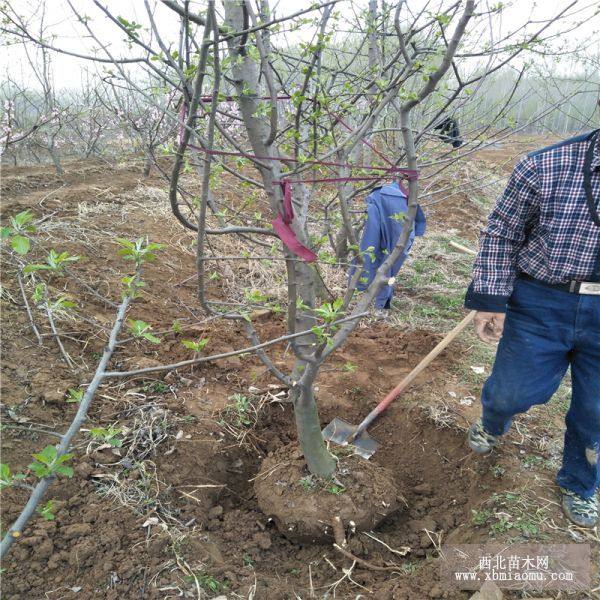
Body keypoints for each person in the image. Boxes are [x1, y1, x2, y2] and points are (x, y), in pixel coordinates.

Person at [464, 129, 600, 528]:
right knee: (513, 392)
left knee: (596, 412)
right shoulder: (544, 165)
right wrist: (490, 299)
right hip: (542, 298)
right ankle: (493, 422)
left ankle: (579, 483)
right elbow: (502, 233)